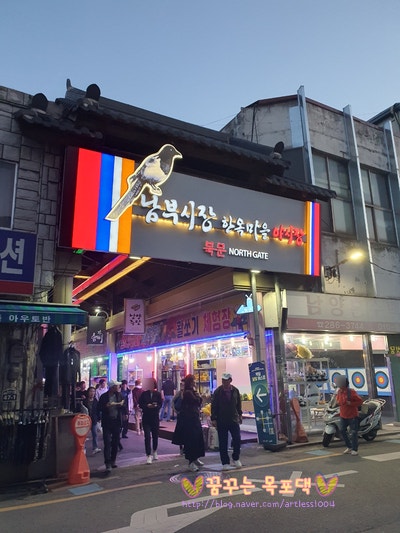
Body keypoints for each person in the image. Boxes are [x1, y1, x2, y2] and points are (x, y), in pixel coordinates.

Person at [172, 374, 205, 472]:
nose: (195, 382)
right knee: (191, 440)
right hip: (189, 420)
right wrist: (199, 396)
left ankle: (195, 459)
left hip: (193, 418)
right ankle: (191, 462)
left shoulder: (190, 391)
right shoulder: (188, 393)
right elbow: (197, 401)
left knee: (197, 439)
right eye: (193, 381)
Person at [211, 372, 243, 470]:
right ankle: (225, 462)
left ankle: (236, 457)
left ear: (230, 380)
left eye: (226, 380)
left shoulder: (235, 391)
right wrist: (214, 418)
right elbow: (214, 405)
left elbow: (238, 404)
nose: (224, 382)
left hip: (233, 419)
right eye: (223, 380)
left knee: (237, 438)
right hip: (221, 419)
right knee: (223, 442)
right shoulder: (218, 392)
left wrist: (240, 415)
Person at [97, 380, 124, 472]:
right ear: (112, 387)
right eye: (116, 386)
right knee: (107, 442)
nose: (118, 387)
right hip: (107, 422)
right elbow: (99, 407)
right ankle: (107, 463)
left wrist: (122, 407)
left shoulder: (119, 395)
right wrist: (106, 406)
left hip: (116, 421)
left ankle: (113, 460)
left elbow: (123, 405)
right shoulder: (104, 396)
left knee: (115, 442)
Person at [335, 375, 363, 456]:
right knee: (342, 430)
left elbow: (360, 401)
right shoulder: (339, 392)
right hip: (343, 415)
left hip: (352, 415)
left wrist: (350, 403)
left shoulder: (351, 392)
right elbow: (338, 400)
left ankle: (354, 449)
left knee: (354, 432)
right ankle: (349, 446)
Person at [139, 379, 162, 464]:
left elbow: (160, 404)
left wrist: (155, 406)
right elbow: (140, 404)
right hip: (146, 417)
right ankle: (148, 454)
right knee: (147, 436)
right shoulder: (144, 394)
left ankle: (155, 450)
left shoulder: (158, 394)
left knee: (155, 435)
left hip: (155, 417)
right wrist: (146, 406)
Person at [82, 386, 101, 455]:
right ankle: (83, 448)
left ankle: (95, 447)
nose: (92, 393)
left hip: (94, 419)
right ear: (88, 392)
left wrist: (99, 418)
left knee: (94, 434)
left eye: (93, 391)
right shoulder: (84, 401)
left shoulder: (96, 401)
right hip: (86, 420)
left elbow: (98, 410)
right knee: (84, 435)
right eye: (91, 391)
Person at [172, 381, 185, 455]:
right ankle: (181, 447)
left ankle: (185, 447)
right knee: (181, 431)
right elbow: (173, 401)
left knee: (185, 431)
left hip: (185, 415)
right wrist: (176, 411)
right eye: (182, 385)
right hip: (181, 415)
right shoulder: (179, 393)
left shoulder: (189, 392)